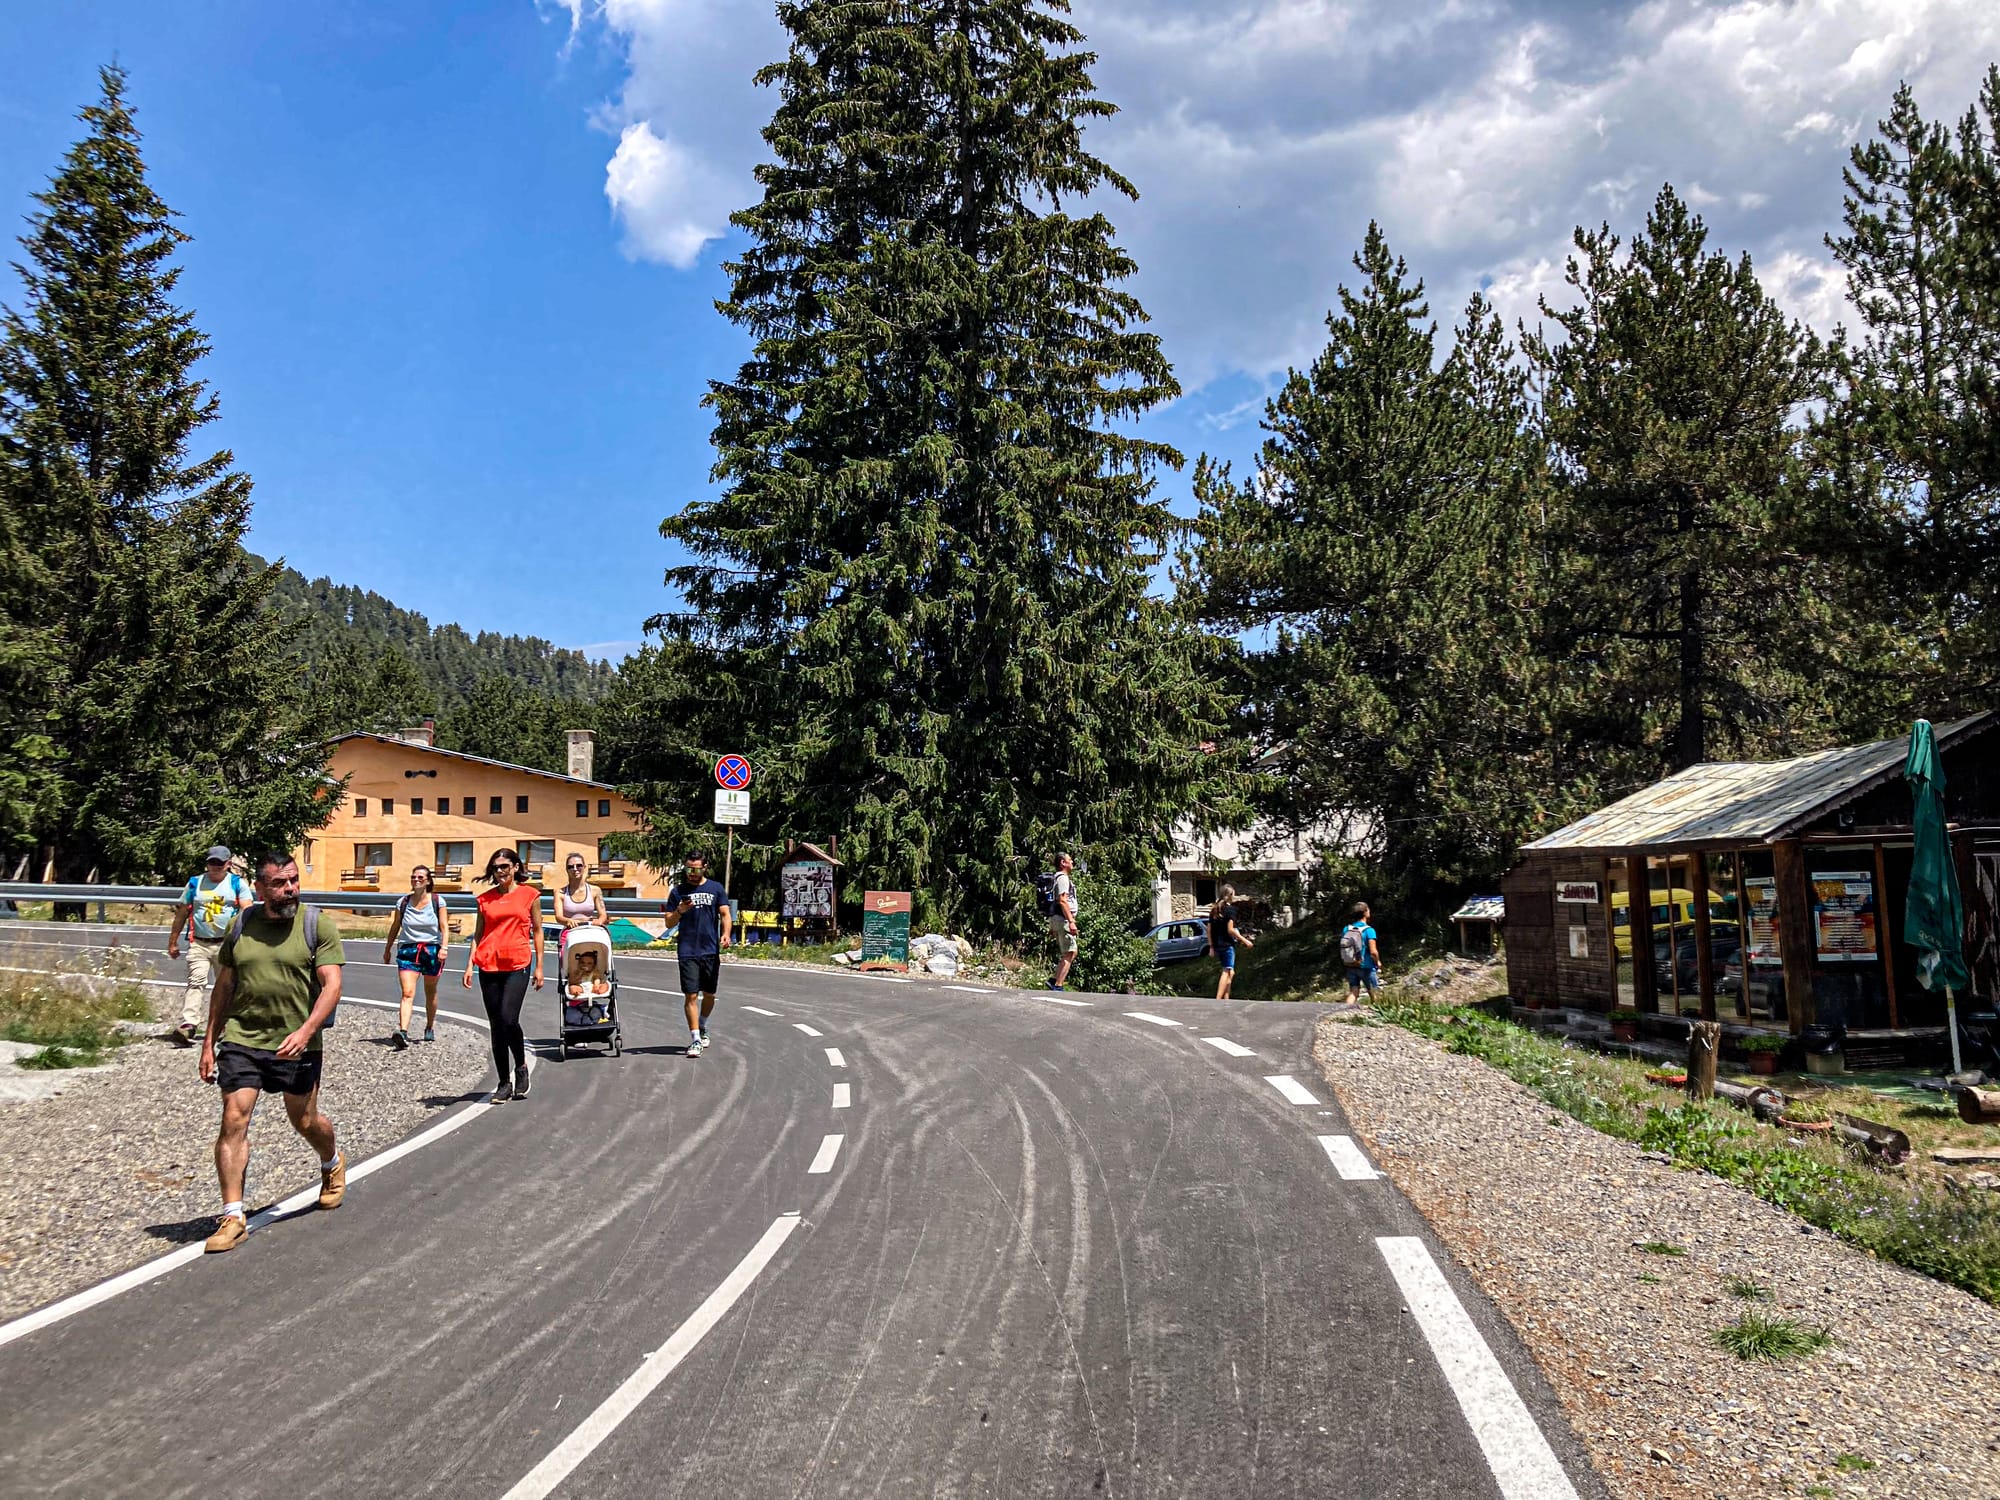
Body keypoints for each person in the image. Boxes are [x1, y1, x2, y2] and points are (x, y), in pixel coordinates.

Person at [197, 853, 345, 1254]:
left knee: (305, 1120)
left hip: (297, 1042)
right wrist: (210, 1041)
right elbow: (224, 985)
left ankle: (331, 1163)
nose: (290, 889)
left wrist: (306, 1030)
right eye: (280, 883)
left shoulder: (316, 924)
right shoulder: (242, 924)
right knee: (233, 1117)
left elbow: (332, 986)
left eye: (293, 880)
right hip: (243, 1039)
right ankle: (232, 1216)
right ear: (260, 889)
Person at [462, 849, 544, 1101]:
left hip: (518, 963)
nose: (500, 872)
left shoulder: (530, 895)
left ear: (516, 867)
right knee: (496, 1026)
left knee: (509, 1018)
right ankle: (503, 1083)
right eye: (496, 867)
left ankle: (520, 1066)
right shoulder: (484, 900)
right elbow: (478, 934)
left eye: (505, 866)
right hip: (488, 965)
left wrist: (540, 966)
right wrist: (469, 965)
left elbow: (538, 931)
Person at [166, 847, 253, 1047]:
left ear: (228, 864)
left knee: (227, 986)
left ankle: (225, 1024)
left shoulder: (236, 884)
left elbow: (247, 911)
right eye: (211, 863)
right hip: (200, 943)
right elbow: (181, 912)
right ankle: (189, 1024)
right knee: (196, 980)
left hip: (226, 943)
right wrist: (173, 941)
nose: (215, 867)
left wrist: (246, 939)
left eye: (219, 863)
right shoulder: (195, 883)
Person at [661, 851, 731, 1058]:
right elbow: (668, 922)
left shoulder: (715, 888)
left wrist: (726, 934)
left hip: (710, 949)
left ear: (704, 867)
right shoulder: (677, 892)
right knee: (691, 995)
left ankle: (702, 1024)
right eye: (688, 869)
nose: (692, 873)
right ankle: (695, 1040)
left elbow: (725, 914)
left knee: (709, 994)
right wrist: (680, 910)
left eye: (696, 869)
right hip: (687, 950)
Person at [380, 865, 449, 1049]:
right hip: (408, 950)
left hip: (431, 950)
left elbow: (444, 926)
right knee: (407, 992)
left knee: (430, 991)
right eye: (413, 877)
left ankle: (429, 1026)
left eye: (420, 877)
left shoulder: (437, 901)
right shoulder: (403, 902)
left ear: (427, 880)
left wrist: (444, 947)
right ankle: (402, 1032)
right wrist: (388, 949)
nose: (416, 880)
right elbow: (395, 926)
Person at [1208, 885, 1254, 1000]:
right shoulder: (1230, 910)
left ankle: (1226, 998)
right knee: (1227, 971)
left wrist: (1211, 947)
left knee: (1231, 972)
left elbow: (1208, 929)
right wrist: (1245, 940)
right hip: (1227, 945)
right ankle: (1218, 999)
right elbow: (1230, 930)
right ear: (1229, 896)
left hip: (1218, 945)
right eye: (1233, 894)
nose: (1234, 897)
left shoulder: (1214, 909)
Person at [1046, 852, 1079, 992]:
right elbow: (1062, 900)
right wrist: (1071, 921)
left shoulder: (1056, 878)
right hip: (1063, 918)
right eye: (1070, 860)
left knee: (1070, 952)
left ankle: (1054, 980)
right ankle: (1058, 986)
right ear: (1063, 863)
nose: (1072, 862)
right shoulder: (1063, 878)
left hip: (1057, 918)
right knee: (1070, 953)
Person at [555, 855, 608, 932]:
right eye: (571, 867)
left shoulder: (595, 890)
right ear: (567, 869)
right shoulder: (560, 892)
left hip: (590, 929)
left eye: (579, 866)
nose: (575, 869)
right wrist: (568, 921)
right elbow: (558, 917)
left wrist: (599, 921)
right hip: (570, 931)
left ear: (584, 867)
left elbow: (603, 914)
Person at [1342, 901, 1382, 999]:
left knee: (1353, 992)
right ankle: (1376, 1013)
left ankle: (1344, 1013)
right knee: (1374, 993)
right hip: (1366, 967)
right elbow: (1373, 952)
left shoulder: (1347, 929)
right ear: (1365, 912)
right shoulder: (1369, 930)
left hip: (1351, 965)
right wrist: (1377, 962)